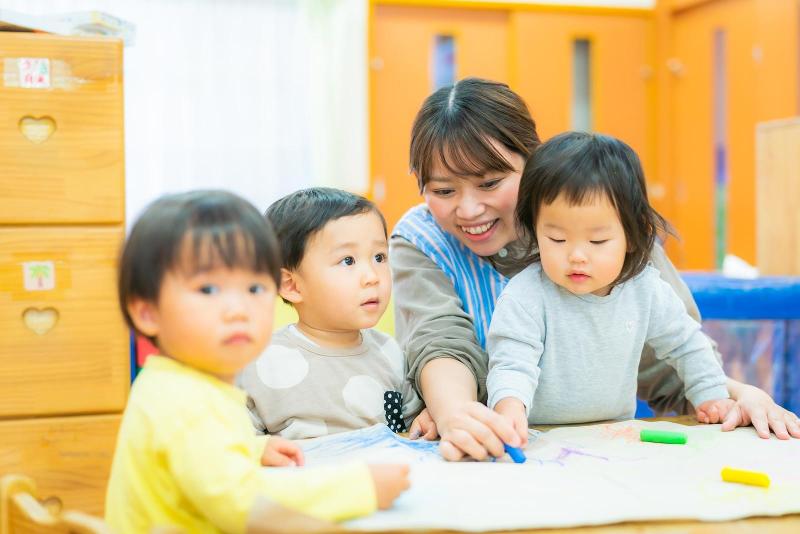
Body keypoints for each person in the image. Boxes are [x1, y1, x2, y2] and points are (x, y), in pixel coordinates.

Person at [391, 77, 800, 461]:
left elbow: (669, 351)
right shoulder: (423, 239)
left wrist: (732, 393)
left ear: (532, 164)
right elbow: (441, 339)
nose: (468, 209)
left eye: (490, 183)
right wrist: (456, 411)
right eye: (444, 191)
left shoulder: (604, 222)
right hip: (502, 441)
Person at [107, 190, 409, 534]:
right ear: (147, 312)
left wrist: (253, 449)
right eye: (208, 290)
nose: (239, 310)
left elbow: (200, 459)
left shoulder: (182, 383)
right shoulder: (183, 402)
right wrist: (360, 488)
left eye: (253, 289)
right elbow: (242, 502)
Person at [488, 131, 735, 443]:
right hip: (540, 436)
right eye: (557, 239)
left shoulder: (644, 289)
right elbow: (512, 360)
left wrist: (711, 396)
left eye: (597, 241)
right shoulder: (527, 294)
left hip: (613, 436)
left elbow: (685, 343)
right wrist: (509, 409)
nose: (576, 255)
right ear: (535, 231)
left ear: (632, 236)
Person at [239, 187, 431, 439]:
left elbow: (409, 431)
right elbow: (235, 445)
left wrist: (427, 419)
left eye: (379, 257)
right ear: (292, 285)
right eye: (348, 261)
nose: (372, 277)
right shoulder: (261, 363)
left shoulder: (390, 354)